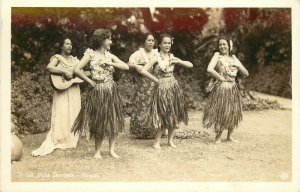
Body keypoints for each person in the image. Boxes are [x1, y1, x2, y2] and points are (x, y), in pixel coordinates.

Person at [71, 28, 129, 159]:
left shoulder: (110, 56)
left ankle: (111, 150)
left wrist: (111, 62)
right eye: (109, 39)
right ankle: (97, 151)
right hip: (98, 91)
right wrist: (89, 81)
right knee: (99, 121)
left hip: (111, 90)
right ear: (101, 40)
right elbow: (76, 69)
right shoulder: (90, 54)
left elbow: (126, 67)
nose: (111, 42)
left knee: (113, 119)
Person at [139, 33, 193, 149]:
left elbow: (190, 65)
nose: (167, 45)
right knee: (161, 113)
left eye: (169, 43)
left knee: (174, 112)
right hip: (161, 88)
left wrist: (179, 62)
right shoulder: (156, 57)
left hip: (173, 87)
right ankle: (157, 142)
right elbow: (143, 70)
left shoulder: (172, 57)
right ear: (160, 45)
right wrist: (156, 80)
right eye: (165, 43)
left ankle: (170, 140)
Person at [32, 38, 81, 156]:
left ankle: (71, 139)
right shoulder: (57, 58)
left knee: (73, 113)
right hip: (62, 90)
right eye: (67, 44)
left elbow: (82, 73)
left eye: (71, 44)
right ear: (61, 46)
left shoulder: (75, 60)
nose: (69, 46)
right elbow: (49, 67)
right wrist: (64, 72)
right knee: (62, 113)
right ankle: (60, 139)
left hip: (74, 90)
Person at [202, 36, 249, 144]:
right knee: (222, 112)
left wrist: (238, 65)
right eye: (220, 45)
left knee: (233, 111)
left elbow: (246, 73)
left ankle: (229, 137)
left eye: (224, 44)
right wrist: (220, 78)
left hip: (233, 88)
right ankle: (218, 137)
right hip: (222, 88)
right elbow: (209, 69)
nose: (222, 46)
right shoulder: (217, 57)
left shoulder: (234, 58)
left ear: (229, 46)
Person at [128, 33, 159, 139]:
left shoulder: (157, 53)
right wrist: (136, 66)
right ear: (144, 42)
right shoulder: (138, 54)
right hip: (142, 83)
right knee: (142, 105)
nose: (151, 43)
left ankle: (154, 131)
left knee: (154, 105)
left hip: (155, 82)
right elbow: (129, 64)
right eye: (149, 40)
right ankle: (141, 131)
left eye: (152, 40)